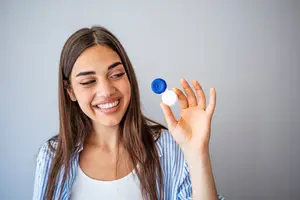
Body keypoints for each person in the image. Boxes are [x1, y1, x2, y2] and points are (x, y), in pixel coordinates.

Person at [32, 26, 225, 200]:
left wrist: (197, 153)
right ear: (70, 91)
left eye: (116, 75)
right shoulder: (52, 156)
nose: (106, 91)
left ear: (129, 77)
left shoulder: (168, 146)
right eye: (88, 81)